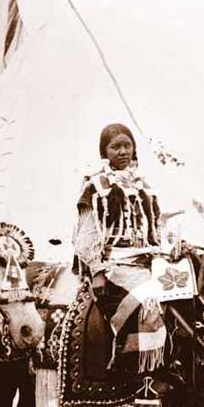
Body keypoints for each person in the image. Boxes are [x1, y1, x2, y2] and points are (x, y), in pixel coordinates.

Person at [72, 123, 166, 373]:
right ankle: (138, 369)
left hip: (147, 260)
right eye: (116, 147)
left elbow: (156, 226)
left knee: (181, 294)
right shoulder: (96, 187)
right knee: (147, 300)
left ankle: (173, 359)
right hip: (115, 263)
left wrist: (168, 247)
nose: (123, 151)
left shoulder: (144, 187)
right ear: (105, 152)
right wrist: (97, 271)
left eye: (127, 146)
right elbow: (86, 232)